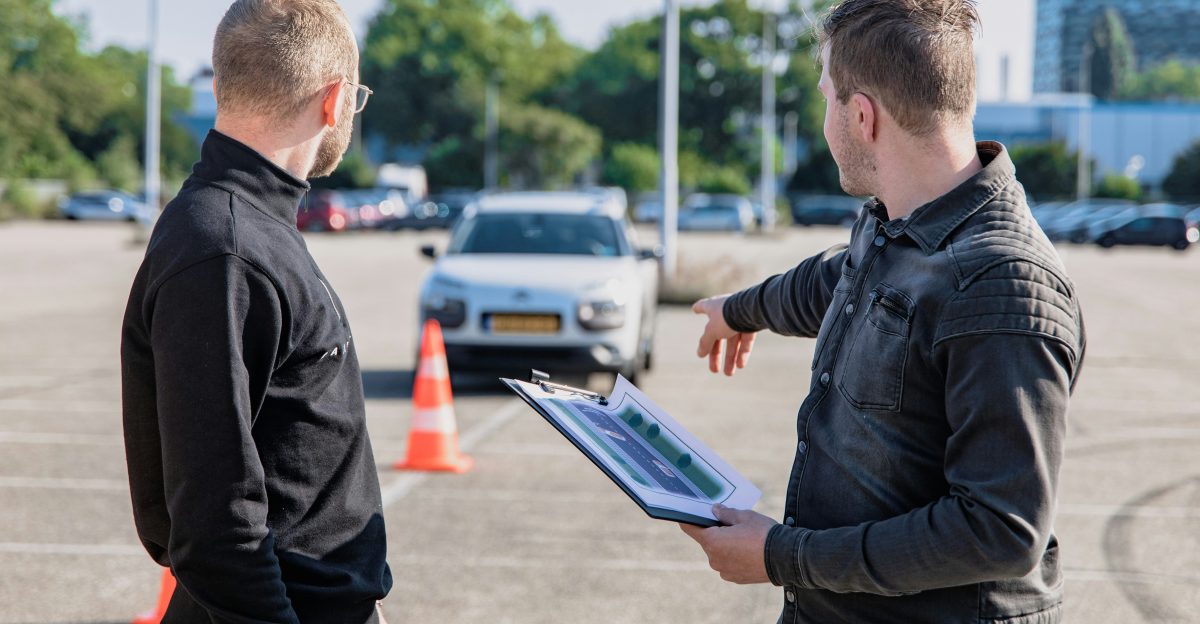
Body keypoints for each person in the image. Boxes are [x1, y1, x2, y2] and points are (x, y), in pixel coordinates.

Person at [681, 1, 1086, 622]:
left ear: (862, 115)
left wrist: (781, 556)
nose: (824, 119)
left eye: (826, 99)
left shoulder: (1001, 286)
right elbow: (835, 280)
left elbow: (998, 530)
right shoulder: (897, 224)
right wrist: (739, 310)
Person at [120, 1, 390, 621]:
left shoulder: (248, 228)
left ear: (221, 88)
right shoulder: (225, 249)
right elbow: (215, 525)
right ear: (335, 101)